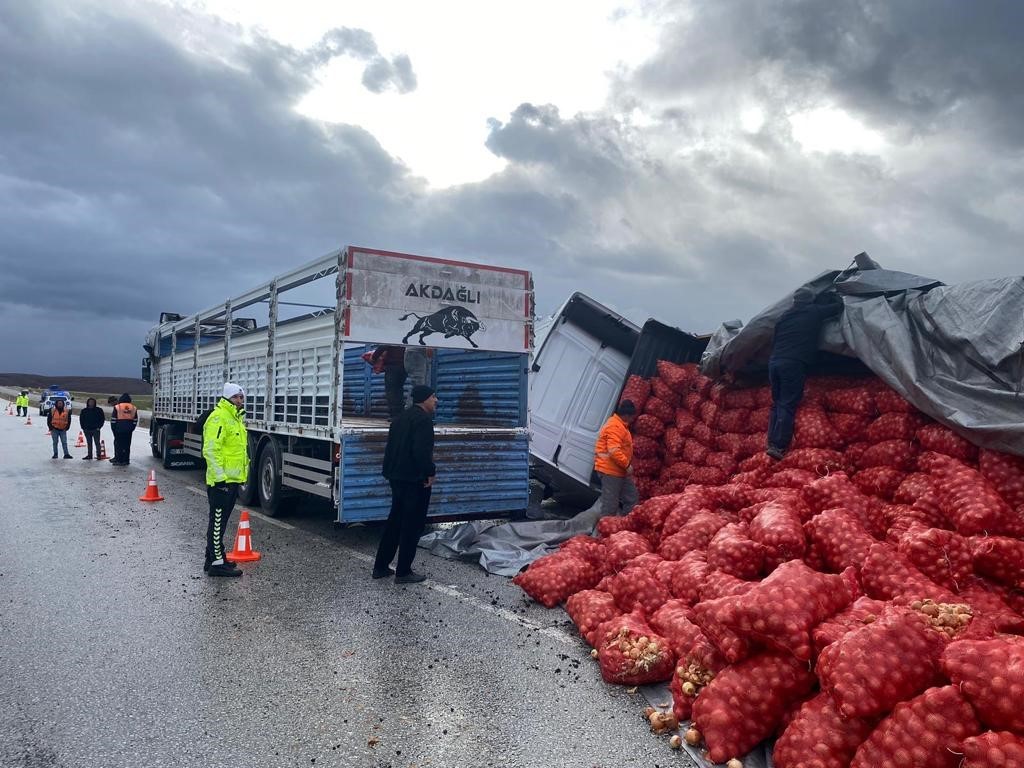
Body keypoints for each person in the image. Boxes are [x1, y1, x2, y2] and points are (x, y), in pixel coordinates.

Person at [766, 287, 844, 460]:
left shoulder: (783, 317)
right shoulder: (813, 311)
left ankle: (771, 441)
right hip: (792, 363)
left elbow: (774, 338)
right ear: (810, 300)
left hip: (774, 362)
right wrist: (835, 295)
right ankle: (779, 446)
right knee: (787, 403)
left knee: (777, 403)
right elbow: (838, 306)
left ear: (795, 301)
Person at [373, 384, 437, 584]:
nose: (436, 401)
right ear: (425, 399)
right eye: (434, 397)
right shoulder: (424, 421)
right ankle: (403, 572)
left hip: (396, 477)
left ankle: (381, 567)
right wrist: (430, 472)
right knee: (412, 525)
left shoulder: (399, 418)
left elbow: (391, 449)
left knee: (394, 521)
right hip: (413, 479)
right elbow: (421, 452)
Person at [202, 382, 249, 577]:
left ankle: (213, 557)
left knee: (221, 522)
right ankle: (216, 564)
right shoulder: (219, 418)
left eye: (241, 397)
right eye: (235, 397)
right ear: (227, 398)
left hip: (232, 480)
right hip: (220, 482)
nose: (239, 400)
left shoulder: (235, 418)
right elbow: (211, 450)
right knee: (217, 521)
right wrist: (220, 478)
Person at [594, 400, 638, 517]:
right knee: (610, 506)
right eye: (632, 417)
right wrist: (627, 465)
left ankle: (624, 527)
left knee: (632, 497)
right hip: (610, 471)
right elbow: (614, 450)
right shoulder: (615, 426)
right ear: (626, 415)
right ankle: (604, 532)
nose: (633, 419)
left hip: (619, 471)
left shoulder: (621, 426)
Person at [372, 345, 407, 420]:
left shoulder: (392, 337)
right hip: (404, 366)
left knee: (391, 391)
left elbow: (382, 347)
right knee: (399, 390)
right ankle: (400, 413)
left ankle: (394, 414)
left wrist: (374, 357)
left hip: (392, 366)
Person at [110, 393, 139, 465]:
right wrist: (132, 428)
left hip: (119, 428)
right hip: (129, 429)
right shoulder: (133, 407)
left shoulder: (117, 407)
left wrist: (113, 428)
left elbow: (113, 419)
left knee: (119, 444)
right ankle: (126, 460)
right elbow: (135, 419)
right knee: (127, 445)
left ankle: (119, 460)